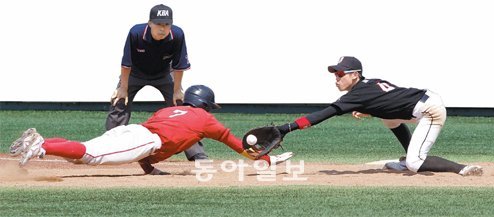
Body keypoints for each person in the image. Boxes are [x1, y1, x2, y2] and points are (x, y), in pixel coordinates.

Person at [9, 85, 294, 175]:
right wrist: (265, 159)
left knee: (84, 148)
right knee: (90, 154)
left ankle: (41, 141)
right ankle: (42, 146)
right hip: (144, 140)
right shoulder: (207, 121)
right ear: (206, 105)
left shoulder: (169, 110)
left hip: (133, 132)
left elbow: (160, 144)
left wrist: (151, 170)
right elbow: (239, 146)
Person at [274, 56, 483, 176]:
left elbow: (324, 114)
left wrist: (287, 128)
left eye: (340, 74)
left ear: (355, 75)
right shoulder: (369, 84)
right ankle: (408, 155)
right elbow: (389, 101)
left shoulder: (357, 94)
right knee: (388, 119)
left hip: (430, 110)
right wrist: (368, 109)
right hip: (424, 101)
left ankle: (463, 169)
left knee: (415, 164)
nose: (336, 79)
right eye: (335, 75)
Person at [105, 4, 208, 161]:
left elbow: (179, 65)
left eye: (166, 24)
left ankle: (196, 153)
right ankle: (110, 149)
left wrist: (177, 90)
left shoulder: (178, 34)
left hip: (164, 73)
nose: (162, 28)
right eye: (159, 24)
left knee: (180, 106)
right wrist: (123, 88)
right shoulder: (136, 33)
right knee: (119, 100)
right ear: (150, 23)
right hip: (135, 73)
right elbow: (126, 63)